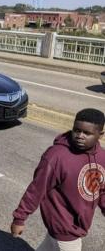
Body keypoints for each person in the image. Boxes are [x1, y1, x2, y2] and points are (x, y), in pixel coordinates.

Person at [11, 108, 105, 251]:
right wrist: (19, 218)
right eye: (76, 130)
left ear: (100, 135)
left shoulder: (102, 157)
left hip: (77, 224)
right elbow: (36, 189)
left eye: (87, 133)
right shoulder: (56, 156)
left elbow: (101, 188)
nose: (80, 136)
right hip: (64, 227)